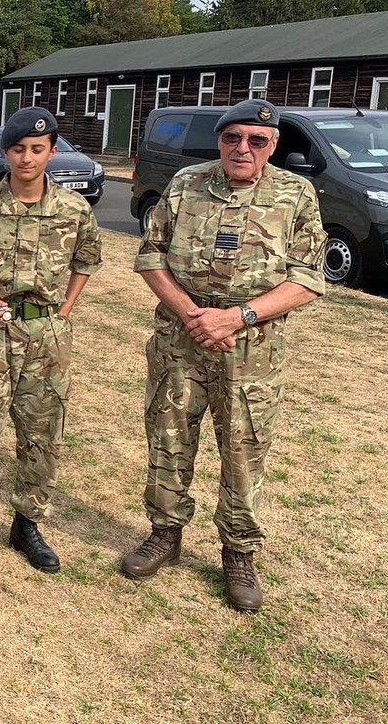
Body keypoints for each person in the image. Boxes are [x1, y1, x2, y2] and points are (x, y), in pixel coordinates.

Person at [122, 98, 325, 613]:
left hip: (251, 349)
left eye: (257, 140)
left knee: (243, 453)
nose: (243, 148)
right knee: (168, 439)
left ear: (273, 145)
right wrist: (193, 313)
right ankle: (165, 534)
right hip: (180, 341)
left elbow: (306, 279)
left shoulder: (295, 194)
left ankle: (238, 553)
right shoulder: (187, 183)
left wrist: (238, 317)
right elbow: (150, 255)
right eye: (233, 137)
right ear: (219, 140)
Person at [0, 107, 102, 574]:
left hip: (48, 335)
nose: (27, 158)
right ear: (6, 153)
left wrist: (65, 309)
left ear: (50, 152)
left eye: (37, 149)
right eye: (18, 149)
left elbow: (87, 260)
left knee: (42, 433)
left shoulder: (73, 209)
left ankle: (28, 522)